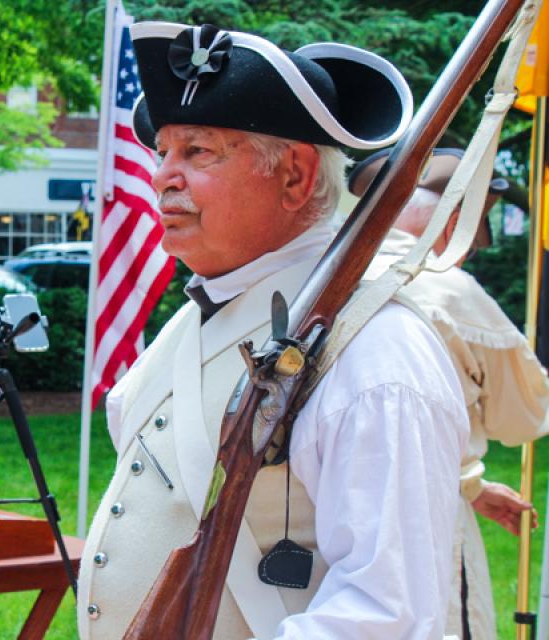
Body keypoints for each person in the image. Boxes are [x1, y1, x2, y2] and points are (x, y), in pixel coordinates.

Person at [79, 21, 469, 639]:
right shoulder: (193, 321)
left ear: (295, 176)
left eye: (198, 151)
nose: (161, 176)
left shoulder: (376, 353)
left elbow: (385, 616)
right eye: (163, 152)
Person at [350, 148, 549, 640]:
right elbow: (523, 417)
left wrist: (472, 484)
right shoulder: (447, 290)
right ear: (452, 220)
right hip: (425, 526)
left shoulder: (317, 281)